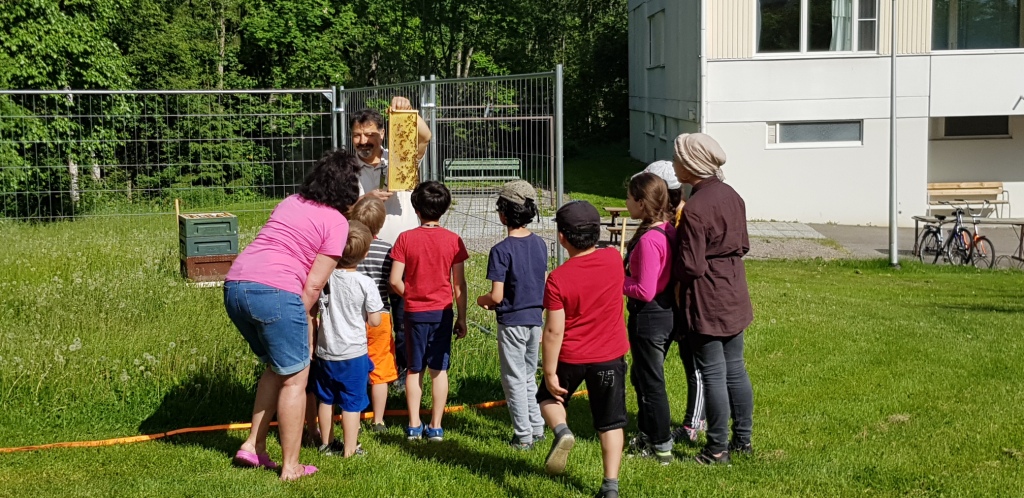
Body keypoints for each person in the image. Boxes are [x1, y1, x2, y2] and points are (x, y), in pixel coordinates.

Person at [223, 148, 360, 480]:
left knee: (277, 367)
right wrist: (302, 325)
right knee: (296, 379)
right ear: (348, 191)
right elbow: (313, 286)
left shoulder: (290, 202)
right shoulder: (338, 222)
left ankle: (253, 446)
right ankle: (291, 465)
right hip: (277, 292)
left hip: (235, 286)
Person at [671, 133, 754, 465]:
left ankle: (716, 449)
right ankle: (742, 442)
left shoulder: (696, 208)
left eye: (678, 158)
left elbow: (690, 265)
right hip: (734, 288)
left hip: (707, 294)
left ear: (691, 165)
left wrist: (668, 271)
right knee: (735, 368)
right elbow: (743, 244)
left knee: (714, 373)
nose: (675, 164)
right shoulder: (732, 195)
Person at [538, 200, 629, 498]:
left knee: (548, 399)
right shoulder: (615, 259)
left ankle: (562, 432)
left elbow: (553, 330)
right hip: (610, 357)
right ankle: (610, 485)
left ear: (562, 237)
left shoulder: (558, 279)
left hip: (572, 356)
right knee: (610, 421)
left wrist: (550, 371)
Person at [350, 97, 432, 393]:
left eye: (369, 135)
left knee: (405, 318)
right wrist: (363, 201)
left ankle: (405, 377)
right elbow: (336, 212)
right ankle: (370, 378)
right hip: (366, 258)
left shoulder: (400, 157)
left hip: (404, 254)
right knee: (371, 323)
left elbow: (424, 136)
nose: (363, 141)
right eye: (357, 135)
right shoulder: (347, 171)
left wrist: (407, 111)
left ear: (382, 134)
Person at [388, 181, 469, 442]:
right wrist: (463, 317)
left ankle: (413, 424)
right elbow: (459, 284)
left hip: (413, 313)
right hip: (442, 312)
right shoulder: (453, 240)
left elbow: (394, 280)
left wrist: (411, 296)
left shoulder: (405, 239)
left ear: (416, 208)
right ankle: (435, 426)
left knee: (414, 369)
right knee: (439, 370)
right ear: (444, 209)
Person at [476, 180, 548, 450]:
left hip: (512, 323)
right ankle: (537, 428)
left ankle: (523, 436)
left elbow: (496, 296)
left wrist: (482, 301)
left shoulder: (501, 250)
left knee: (514, 379)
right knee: (529, 375)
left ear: (503, 213)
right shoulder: (541, 244)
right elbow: (541, 282)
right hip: (534, 322)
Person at [640, 160, 706, 446]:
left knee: (695, 364)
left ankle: (695, 423)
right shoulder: (666, 223)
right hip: (672, 302)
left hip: (689, 303)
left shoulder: (685, 218)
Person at [311, 220, 383, 457]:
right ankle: (350, 449)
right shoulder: (365, 283)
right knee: (352, 403)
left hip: (325, 351)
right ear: (365, 252)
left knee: (325, 399)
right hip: (353, 353)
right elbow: (374, 321)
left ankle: (326, 443)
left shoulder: (324, 278)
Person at [622, 172, 677, 465]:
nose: (626, 202)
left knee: (651, 382)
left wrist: (618, 280)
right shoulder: (667, 229)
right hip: (665, 313)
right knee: (642, 377)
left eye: (630, 197)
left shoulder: (648, 241)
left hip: (650, 317)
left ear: (641, 202)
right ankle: (647, 433)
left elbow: (643, 289)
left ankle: (661, 445)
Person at [347, 196, 399, 432]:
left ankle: (352, 415)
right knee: (381, 368)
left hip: (349, 316)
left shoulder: (346, 246)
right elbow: (390, 284)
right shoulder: (387, 250)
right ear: (382, 223)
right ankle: (378, 420)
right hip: (380, 316)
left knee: (353, 365)